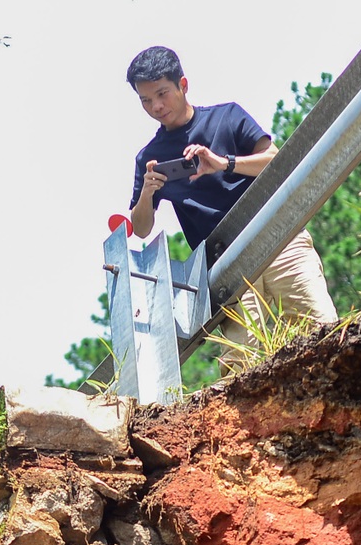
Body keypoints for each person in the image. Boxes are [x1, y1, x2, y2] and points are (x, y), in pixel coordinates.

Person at [126, 45, 337, 366]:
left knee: (321, 330)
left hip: (278, 236)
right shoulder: (149, 156)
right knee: (242, 362)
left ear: (183, 85)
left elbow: (275, 160)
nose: (156, 106)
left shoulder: (227, 116)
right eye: (145, 100)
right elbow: (140, 228)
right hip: (223, 264)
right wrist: (148, 191)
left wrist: (222, 163)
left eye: (162, 93)